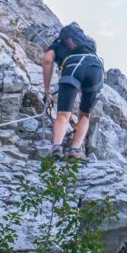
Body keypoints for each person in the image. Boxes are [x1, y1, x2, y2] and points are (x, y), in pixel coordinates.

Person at [42, 22, 105, 161]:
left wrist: (47, 91)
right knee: (85, 115)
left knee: (63, 114)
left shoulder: (57, 44)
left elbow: (47, 60)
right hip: (96, 68)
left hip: (73, 65)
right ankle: (75, 151)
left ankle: (56, 148)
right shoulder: (87, 45)